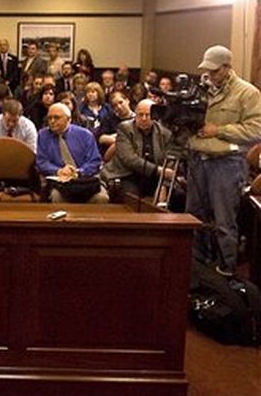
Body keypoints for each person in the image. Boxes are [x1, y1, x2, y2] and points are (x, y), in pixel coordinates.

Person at [187, 45, 261, 275]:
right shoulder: (200, 89)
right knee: (193, 218)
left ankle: (226, 271)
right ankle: (198, 268)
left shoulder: (247, 93)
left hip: (226, 163)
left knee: (223, 222)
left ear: (228, 67)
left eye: (215, 71)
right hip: (197, 159)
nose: (210, 75)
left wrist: (218, 130)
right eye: (207, 70)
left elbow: (256, 129)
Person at [36, 103, 108, 203]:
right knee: (57, 197)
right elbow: (41, 162)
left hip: (85, 181)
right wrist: (59, 171)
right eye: (49, 118)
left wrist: (78, 172)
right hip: (60, 183)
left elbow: (94, 161)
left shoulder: (85, 135)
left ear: (68, 119)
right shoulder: (43, 135)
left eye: (56, 118)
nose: (52, 121)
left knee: (101, 197)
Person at [101, 99, 173, 198]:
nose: (144, 118)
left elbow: (169, 163)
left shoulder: (165, 133)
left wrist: (164, 185)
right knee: (132, 197)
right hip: (127, 175)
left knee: (176, 196)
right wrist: (159, 170)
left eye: (147, 115)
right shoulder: (125, 128)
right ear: (135, 114)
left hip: (153, 178)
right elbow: (129, 159)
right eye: (140, 114)